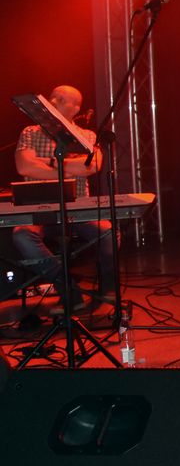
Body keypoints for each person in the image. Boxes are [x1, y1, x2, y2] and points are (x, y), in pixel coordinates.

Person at [12, 84, 115, 312]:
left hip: (77, 209)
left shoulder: (87, 136)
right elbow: (24, 167)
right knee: (22, 236)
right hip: (38, 210)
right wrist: (70, 168)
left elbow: (91, 167)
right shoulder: (30, 132)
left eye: (61, 98)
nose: (53, 100)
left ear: (76, 108)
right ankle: (69, 292)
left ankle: (107, 290)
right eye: (52, 97)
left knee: (108, 232)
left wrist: (46, 163)